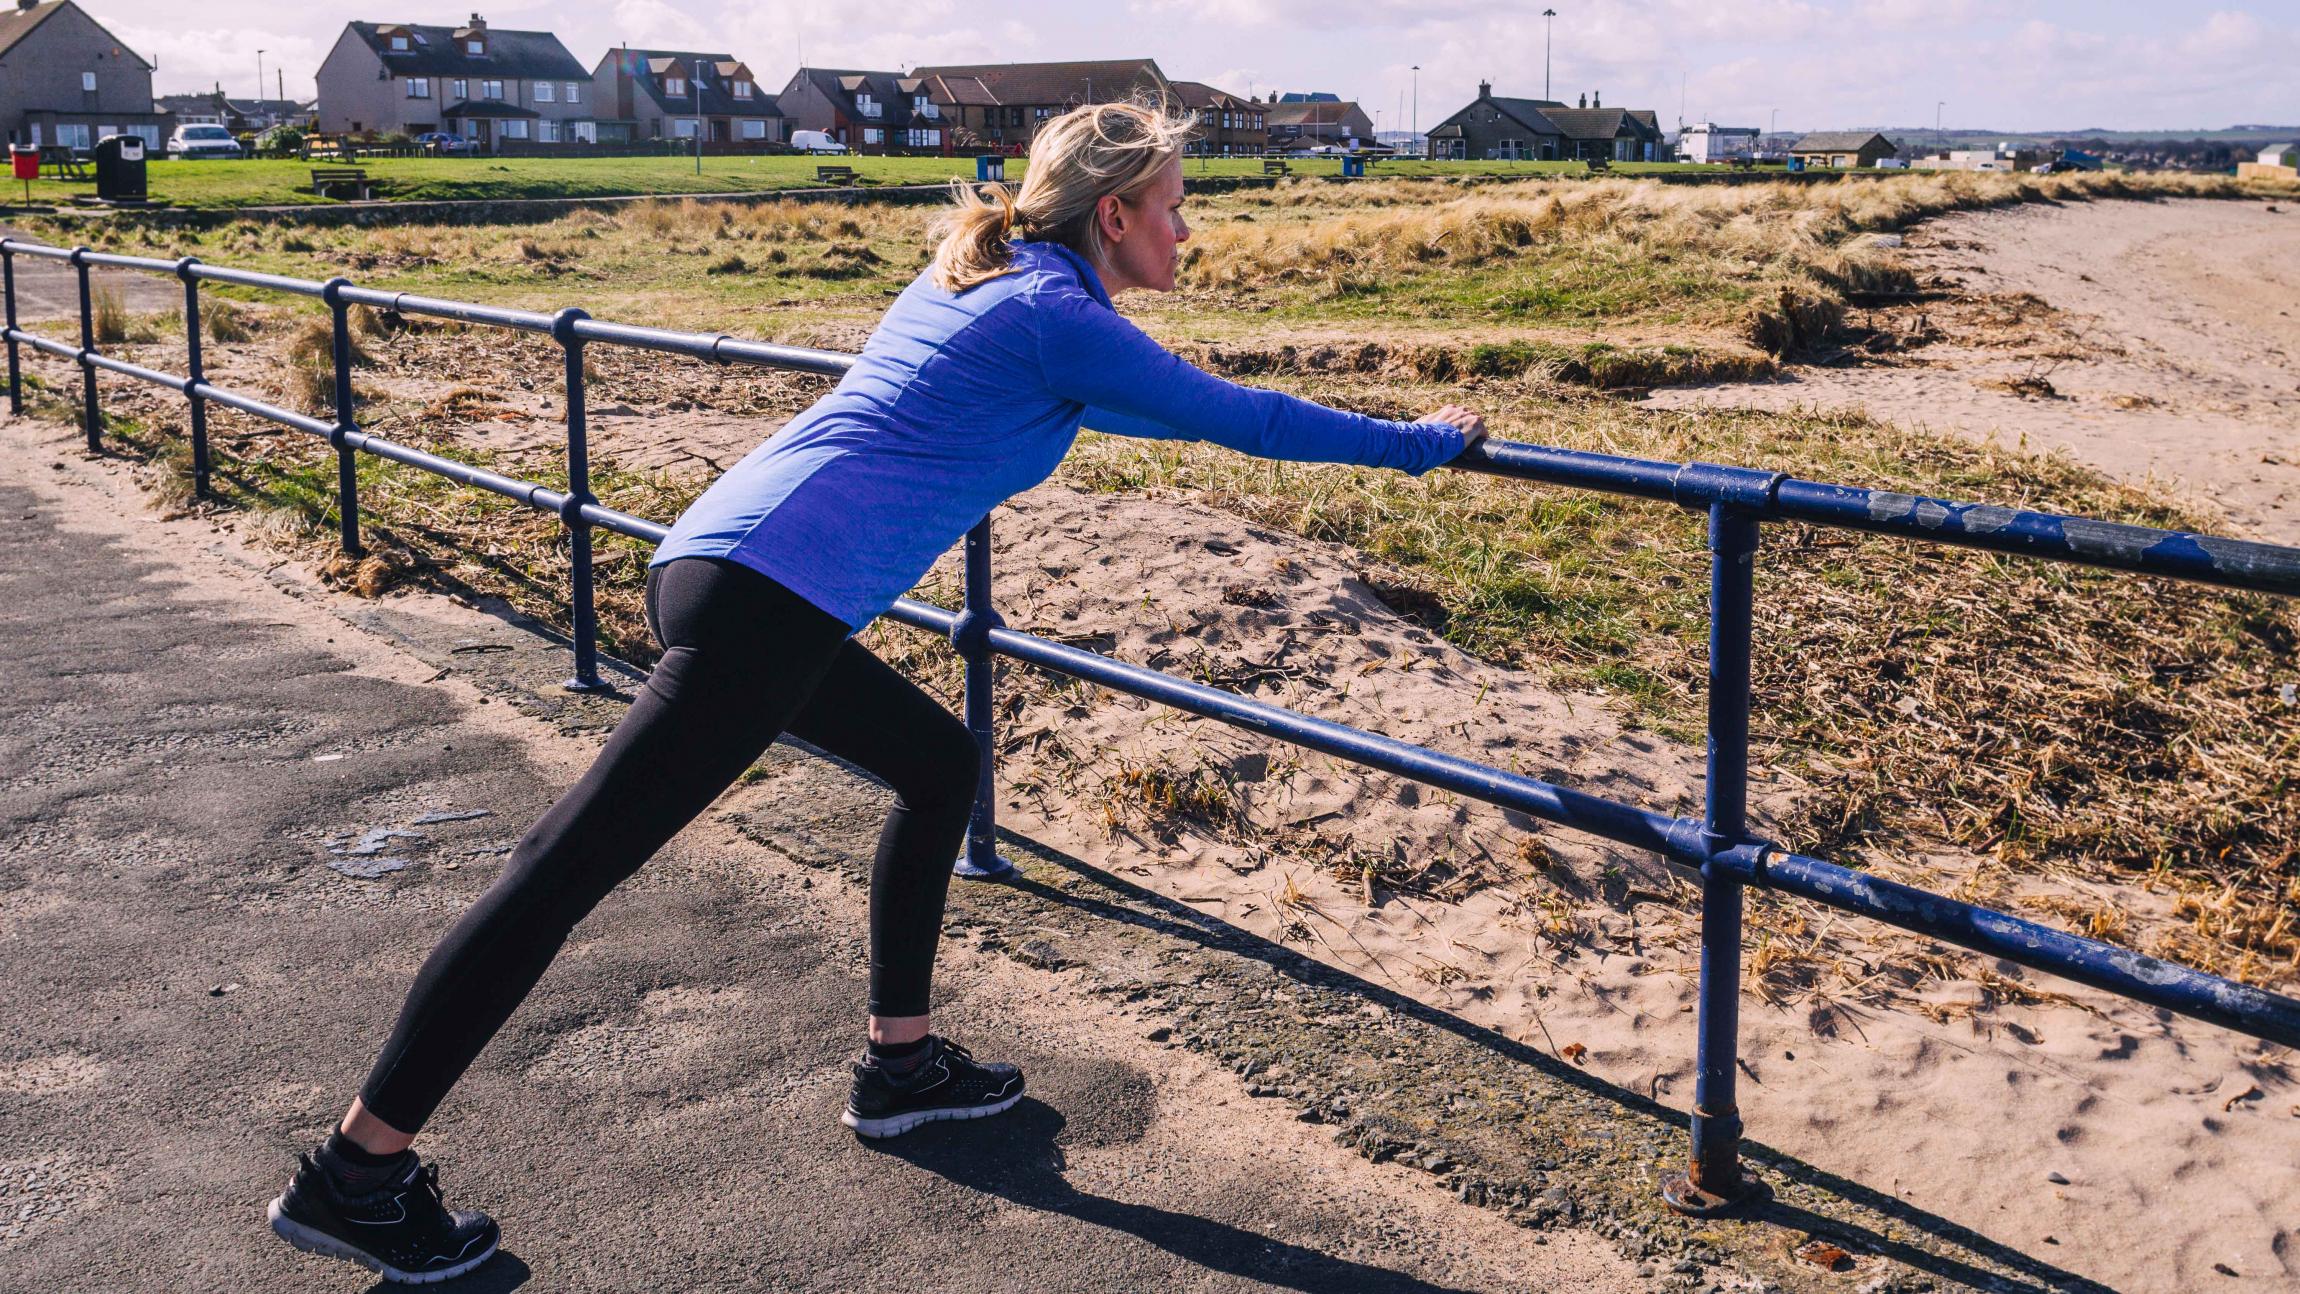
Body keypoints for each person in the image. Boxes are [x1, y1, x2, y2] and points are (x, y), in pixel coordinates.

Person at [266, 101, 1487, 1284]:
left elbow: (1159, 410)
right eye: (1175, 208)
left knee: (938, 763)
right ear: (1113, 215)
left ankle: (899, 1066)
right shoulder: (1054, 312)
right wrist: (1423, 442)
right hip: (763, 602)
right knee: (561, 869)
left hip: (726, 567)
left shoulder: (996, 283)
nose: (1188, 232)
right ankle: (356, 1173)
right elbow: (1244, 419)